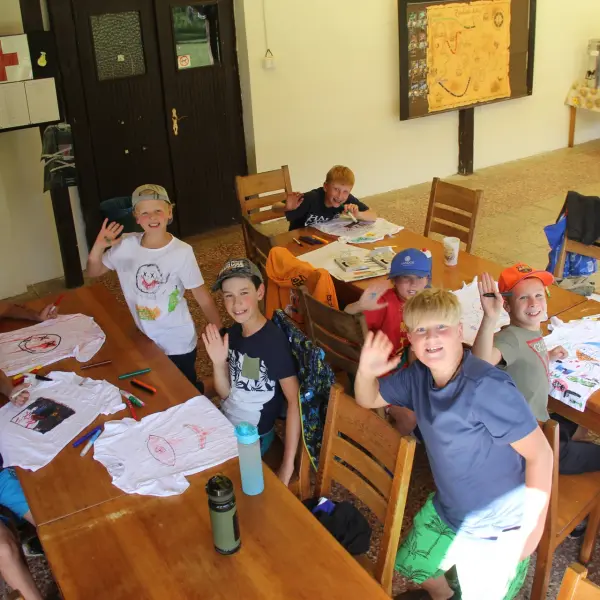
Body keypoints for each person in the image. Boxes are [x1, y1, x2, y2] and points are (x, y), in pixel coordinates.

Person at [354, 289, 553, 600]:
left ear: (460, 331)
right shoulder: (418, 376)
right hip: (449, 509)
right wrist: (365, 372)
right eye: (421, 329)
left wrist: (531, 531)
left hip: (500, 525)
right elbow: (368, 398)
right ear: (410, 339)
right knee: (410, 564)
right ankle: (446, 595)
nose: (431, 337)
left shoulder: (487, 387)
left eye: (441, 327)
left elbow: (541, 454)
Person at [86, 184, 222, 391]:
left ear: (169, 212)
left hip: (177, 340)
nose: (152, 217)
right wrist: (98, 247)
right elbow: (93, 271)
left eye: (158, 210)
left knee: (183, 390)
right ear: (136, 217)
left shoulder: (182, 252)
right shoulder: (126, 245)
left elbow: (201, 296)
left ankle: (211, 387)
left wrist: (220, 328)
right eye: (145, 213)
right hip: (145, 336)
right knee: (159, 387)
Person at [473, 263, 600, 476]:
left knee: (577, 421)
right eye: (523, 298)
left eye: (539, 295)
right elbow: (480, 363)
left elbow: (524, 356)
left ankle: (569, 443)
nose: (533, 303)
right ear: (507, 306)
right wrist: (489, 318)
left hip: (539, 422)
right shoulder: (511, 338)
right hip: (529, 441)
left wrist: (547, 356)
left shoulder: (530, 330)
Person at [202, 259, 301, 486]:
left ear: (260, 292)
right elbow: (228, 394)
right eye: (228, 295)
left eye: (243, 292)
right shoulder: (234, 334)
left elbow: (294, 401)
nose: (236, 303)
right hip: (226, 422)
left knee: (218, 480)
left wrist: (287, 466)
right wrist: (218, 363)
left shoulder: (272, 343)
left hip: (253, 438)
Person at [345, 248, 431, 435]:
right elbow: (345, 316)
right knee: (409, 418)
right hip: (380, 374)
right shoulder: (384, 302)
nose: (413, 284)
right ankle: (386, 446)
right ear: (394, 280)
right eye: (406, 277)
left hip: (404, 369)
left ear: (427, 280)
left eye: (419, 278)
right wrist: (359, 306)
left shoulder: (424, 301)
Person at [281, 165, 377, 231]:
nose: (340, 196)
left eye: (345, 191)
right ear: (326, 187)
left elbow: (373, 215)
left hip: (323, 236)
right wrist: (286, 207)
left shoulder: (346, 200)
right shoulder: (311, 198)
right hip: (299, 239)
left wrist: (358, 214)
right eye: (336, 189)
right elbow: (275, 208)